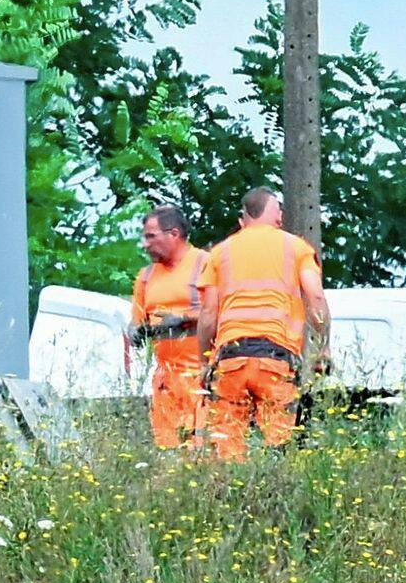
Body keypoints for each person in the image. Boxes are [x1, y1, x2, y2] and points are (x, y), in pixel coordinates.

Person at [195, 187, 331, 460]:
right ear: (278, 217)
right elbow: (315, 296)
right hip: (275, 360)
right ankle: (272, 496)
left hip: (231, 360)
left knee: (226, 449)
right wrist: (323, 347)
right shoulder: (297, 248)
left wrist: (203, 361)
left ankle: (228, 497)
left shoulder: (220, 253)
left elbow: (208, 314)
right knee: (279, 449)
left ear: (243, 219)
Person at [129, 205, 208, 449]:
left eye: (151, 236)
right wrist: (136, 332)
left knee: (202, 454)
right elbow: (136, 320)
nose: (145, 244)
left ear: (173, 234)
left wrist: (183, 317)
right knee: (168, 454)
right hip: (165, 381)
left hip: (202, 378)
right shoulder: (146, 276)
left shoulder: (206, 264)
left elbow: (222, 311)